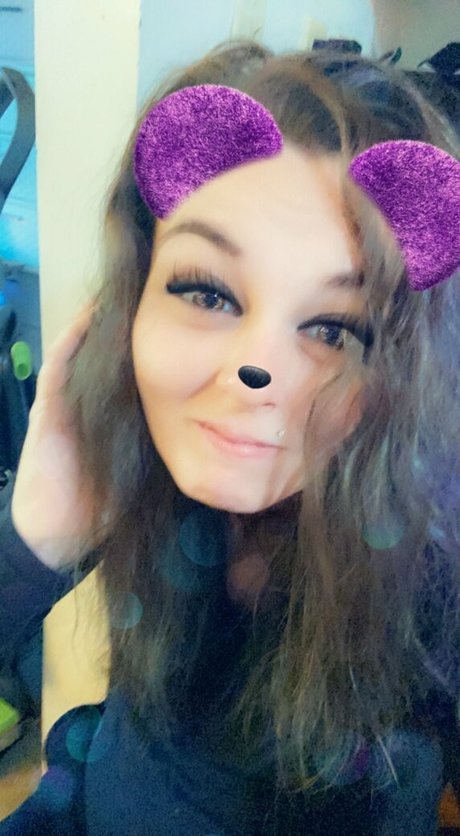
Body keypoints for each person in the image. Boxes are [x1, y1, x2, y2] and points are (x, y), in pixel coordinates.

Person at [0, 38, 459, 835]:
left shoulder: (435, 580)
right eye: (208, 293)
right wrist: (36, 539)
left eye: (333, 328)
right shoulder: (147, 475)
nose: (256, 370)